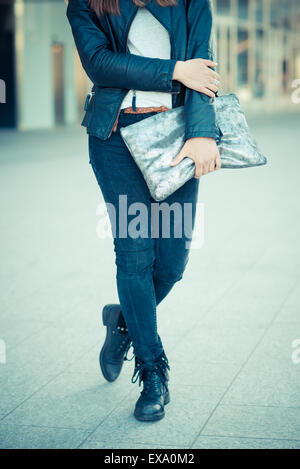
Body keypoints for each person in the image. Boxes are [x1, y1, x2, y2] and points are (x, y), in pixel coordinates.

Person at [66, 0, 221, 422]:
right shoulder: (86, 3)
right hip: (115, 139)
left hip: (176, 136)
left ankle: (122, 323)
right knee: (134, 255)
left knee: (171, 264)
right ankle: (153, 372)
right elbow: (100, 64)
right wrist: (174, 69)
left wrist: (203, 133)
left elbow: (203, 70)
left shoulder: (192, 2)